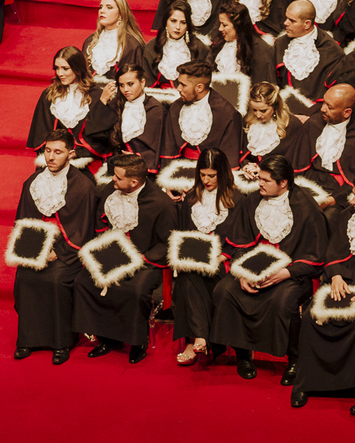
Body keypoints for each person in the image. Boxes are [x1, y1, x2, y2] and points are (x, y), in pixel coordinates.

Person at [210, 152, 327, 383]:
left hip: (291, 272)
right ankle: (243, 355)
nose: (259, 183)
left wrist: (285, 273)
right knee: (225, 291)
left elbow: (315, 254)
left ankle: (293, 360)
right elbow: (240, 244)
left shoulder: (306, 207)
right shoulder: (251, 201)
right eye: (259, 178)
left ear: (283, 182)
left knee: (284, 301)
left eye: (265, 180)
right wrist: (242, 273)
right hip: (252, 268)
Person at [292, 171, 355, 413]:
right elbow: (333, 249)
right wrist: (336, 275)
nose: (352, 201)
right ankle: (307, 382)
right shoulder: (345, 215)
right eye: (353, 195)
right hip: (343, 278)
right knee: (310, 318)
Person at [73, 153, 177, 365]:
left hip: (146, 261)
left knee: (134, 290)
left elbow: (167, 243)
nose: (113, 179)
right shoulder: (110, 190)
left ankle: (137, 342)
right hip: (113, 252)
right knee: (84, 282)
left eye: (118, 177)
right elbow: (101, 222)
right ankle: (106, 338)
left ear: (134, 182)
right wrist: (105, 247)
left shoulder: (161, 204)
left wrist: (140, 258)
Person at [12, 128, 97, 365]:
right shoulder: (33, 181)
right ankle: (27, 340)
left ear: (70, 154)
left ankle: (62, 342)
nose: (51, 157)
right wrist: (35, 250)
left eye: (58, 152)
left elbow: (84, 229)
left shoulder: (83, 186)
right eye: (47, 151)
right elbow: (24, 220)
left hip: (68, 251)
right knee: (25, 278)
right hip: (38, 244)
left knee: (56, 280)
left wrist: (57, 252)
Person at [171, 146, 239, 366]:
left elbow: (243, 236)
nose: (207, 180)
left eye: (212, 176)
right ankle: (200, 338)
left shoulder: (237, 199)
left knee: (194, 277)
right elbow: (182, 232)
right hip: (195, 256)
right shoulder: (191, 197)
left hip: (224, 261)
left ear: (223, 173)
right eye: (202, 175)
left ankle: (197, 339)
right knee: (187, 273)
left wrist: (225, 256)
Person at [285, 82, 355, 208]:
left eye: (330, 107)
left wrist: (332, 199)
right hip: (307, 180)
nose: (322, 109)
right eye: (324, 103)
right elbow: (296, 162)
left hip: (338, 190)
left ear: (347, 113)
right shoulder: (314, 122)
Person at [25, 45, 110, 160]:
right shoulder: (49, 95)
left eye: (65, 68)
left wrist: (77, 153)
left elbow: (99, 136)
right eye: (57, 68)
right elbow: (42, 132)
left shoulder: (95, 95)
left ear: (78, 68)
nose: (60, 73)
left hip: (84, 156)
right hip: (54, 156)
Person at [160, 59, 243, 165]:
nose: (178, 88)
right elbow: (169, 149)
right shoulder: (176, 107)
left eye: (183, 85)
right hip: (180, 165)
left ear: (199, 87)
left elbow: (228, 157)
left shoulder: (227, 113)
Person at [273, 0, 343, 108]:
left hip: (317, 111)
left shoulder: (331, 50)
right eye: (286, 18)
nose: (285, 23)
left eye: (292, 20)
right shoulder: (280, 43)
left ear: (307, 24)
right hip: (283, 107)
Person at [103, 62, 163, 169]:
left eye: (130, 84)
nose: (125, 90)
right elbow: (96, 133)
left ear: (142, 82)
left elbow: (158, 147)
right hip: (116, 163)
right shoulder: (116, 104)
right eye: (121, 85)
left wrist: (137, 158)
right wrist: (103, 100)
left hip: (142, 165)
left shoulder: (155, 108)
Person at [142, 0, 209, 89]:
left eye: (183, 22)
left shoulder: (199, 48)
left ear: (187, 25)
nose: (178, 27)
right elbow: (147, 81)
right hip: (157, 98)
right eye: (173, 21)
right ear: (166, 22)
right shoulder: (152, 46)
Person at [83, 0, 146, 82]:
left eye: (109, 7)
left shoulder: (132, 44)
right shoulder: (90, 41)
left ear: (121, 14)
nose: (102, 10)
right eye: (101, 7)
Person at [239, 80, 299, 172]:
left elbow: (290, 161)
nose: (258, 115)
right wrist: (247, 168)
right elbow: (243, 153)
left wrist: (262, 170)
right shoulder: (249, 121)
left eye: (263, 111)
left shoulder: (291, 124)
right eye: (254, 110)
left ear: (275, 106)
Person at [208, 0, 275, 84]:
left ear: (238, 26)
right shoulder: (219, 44)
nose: (220, 29)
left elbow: (263, 86)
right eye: (220, 24)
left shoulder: (261, 50)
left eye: (224, 25)